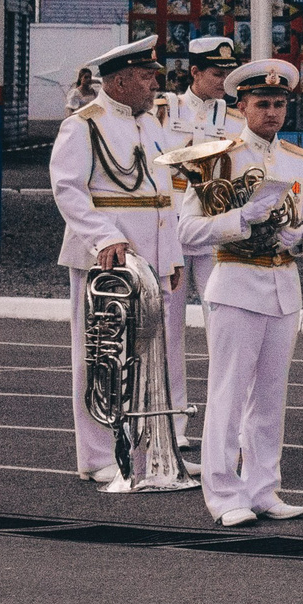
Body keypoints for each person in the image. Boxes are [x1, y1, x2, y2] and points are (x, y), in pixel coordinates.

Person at [175, 59, 303, 526]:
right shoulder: (216, 157)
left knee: (271, 396)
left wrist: (301, 239)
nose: (273, 112)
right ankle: (223, 495)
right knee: (228, 393)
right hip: (236, 280)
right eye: (263, 103)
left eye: (280, 104)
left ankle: (263, 488)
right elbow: (187, 230)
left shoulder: (298, 160)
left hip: (282, 284)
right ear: (242, 106)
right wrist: (241, 221)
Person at [49, 37, 189, 487]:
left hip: (153, 256)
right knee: (101, 355)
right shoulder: (84, 125)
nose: (154, 85)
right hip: (107, 257)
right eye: (147, 77)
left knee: (153, 355)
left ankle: (153, 451)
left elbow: (164, 197)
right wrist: (105, 237)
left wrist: (173, 255)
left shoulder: (152, 126)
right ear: (122, 78)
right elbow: (68, 189)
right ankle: (96, 456)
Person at [155, 34, 240, 449]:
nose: (223, 79)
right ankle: (175, 421)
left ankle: (226, 425)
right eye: (216, 72)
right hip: (171, 227)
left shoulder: (237, 116)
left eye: (227, 72)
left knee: (223, 325)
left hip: (214, 230)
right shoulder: (164, 110)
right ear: (195, 73)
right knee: (169, 329)